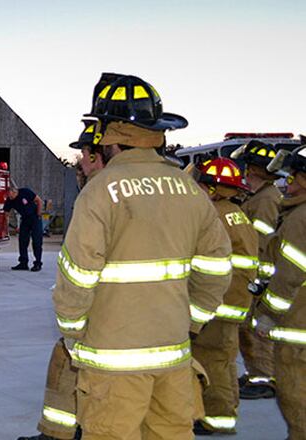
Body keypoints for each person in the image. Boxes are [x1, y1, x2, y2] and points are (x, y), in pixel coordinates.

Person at [53, 73, 232, 439]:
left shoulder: (100, 191)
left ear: (109, 135)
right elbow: (216, 269)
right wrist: (190, 323)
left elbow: (77, 276)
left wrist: (74, 334)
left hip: (111, 362)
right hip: (174, 358)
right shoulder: (190, 189)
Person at [18, 120, 103, 440]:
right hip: (129, 317)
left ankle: (65, 433)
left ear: (96, 156)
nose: (79, 161)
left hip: (102, 316)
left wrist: (72, 322)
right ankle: (60, 432)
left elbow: (84, 266)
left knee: (75, 369)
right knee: (64, 367)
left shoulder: (99, 193)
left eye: (83, 153)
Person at [190, 158, 258, 435]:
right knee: (224, 359)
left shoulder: (213, 214)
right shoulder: (235, 212)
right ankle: (225, 413)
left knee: (210, 358)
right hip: (237, 297)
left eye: (204, 186)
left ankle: (215, 418)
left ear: (214, 189)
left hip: (220, 299)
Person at [253, 145, 306, 440]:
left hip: (298, 329)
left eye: (295, 178)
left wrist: (268, 316)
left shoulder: (300, 219)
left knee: (297, 398)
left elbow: (289, 276)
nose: (287, 184)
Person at [230, 140, 283, 399]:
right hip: (253, 273)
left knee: (255, 330)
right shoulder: (259, 196)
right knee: (247, 328)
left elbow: (261, 241)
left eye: (249, 171)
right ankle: (255, 373)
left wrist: (255, 277)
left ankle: (263, 379)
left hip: (258, 275)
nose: (245, 175)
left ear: (257, 171)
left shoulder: (265, 200)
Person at [4, 186, 45, 271]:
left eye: (11, 196)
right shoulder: (10, 200)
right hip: (25, 219)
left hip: (35, 218)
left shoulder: (25, 192)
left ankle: (37, 263)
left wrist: (39, 214)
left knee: (37, 241)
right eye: (9, 196)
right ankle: (23, 263)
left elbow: (39, 201)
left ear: (15, 192)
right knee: (22, 241)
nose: (10, 198)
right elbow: (6, 213)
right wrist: (9, 226)